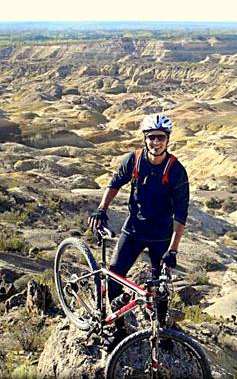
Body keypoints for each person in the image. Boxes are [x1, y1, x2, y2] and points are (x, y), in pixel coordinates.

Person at [88, 113, 189, 350]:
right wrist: (102, 209)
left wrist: (173, 250)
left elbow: (181, 215)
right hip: (133, 230)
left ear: (167, 139)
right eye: (152, 137)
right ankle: (119, 329)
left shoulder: (176, 170)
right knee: (113, 276)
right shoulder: (133, 160)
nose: (156, 142)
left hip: (161, 236)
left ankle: (162, 331)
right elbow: (114, 183)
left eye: (161, 137)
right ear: (145, 138)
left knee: (161, 288)